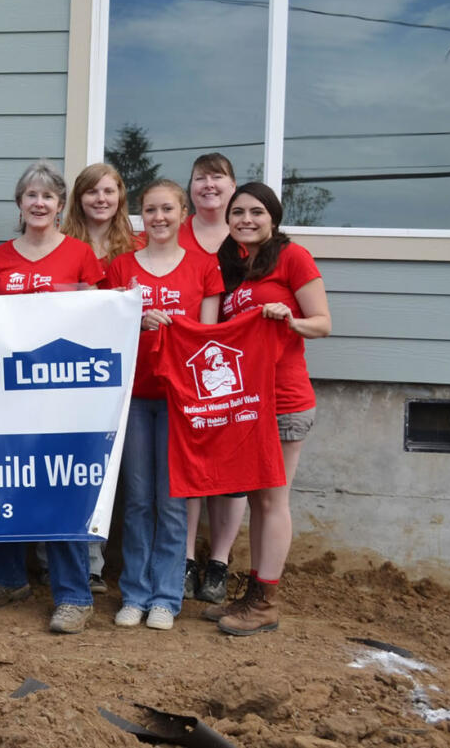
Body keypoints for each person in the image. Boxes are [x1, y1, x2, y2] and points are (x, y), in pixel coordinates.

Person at [0, 160, 105, 634]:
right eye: (31, 195)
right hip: (6, 396)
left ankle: (73, 595)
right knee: (5, 485)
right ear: (20, 203)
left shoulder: (81, 256)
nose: (39, 203)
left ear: (60, 204)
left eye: (48, 196)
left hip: (62, 397)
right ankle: (10, 578)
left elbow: (99, 319)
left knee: (60, 488)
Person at [205, 181, 331, 635]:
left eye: (256, 211)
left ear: (273, 217)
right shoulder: (233, 264)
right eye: (237, 212)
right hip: (246, 402)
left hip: (283, 401)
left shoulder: (292, 257)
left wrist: (290, 319)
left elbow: (322, 323)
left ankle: (266, 601)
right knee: (257, 500)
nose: (246, 219)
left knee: (274, 500)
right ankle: (255, 591)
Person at [103, 180, 222, 630]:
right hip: (133, 396)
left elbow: (209, 338)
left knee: (172, 503)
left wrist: (176, 327)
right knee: (136, 502)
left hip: (180, 400)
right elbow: (107, 330)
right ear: (141, 215)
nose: (159, 218)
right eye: (150, 210)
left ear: (182, 211)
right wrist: (136, 317)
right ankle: (133, 594)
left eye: (167, 209)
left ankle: (166, 597)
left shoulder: (204, 267)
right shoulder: (120, 268)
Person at [62, 162, 142, 591]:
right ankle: (73, 559)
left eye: (109, 191)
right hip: (72, 372)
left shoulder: (137, 245)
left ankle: (109, 564)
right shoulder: (63, 244)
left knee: (122, 476)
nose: (100, 199)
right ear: (79, 197)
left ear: (120, 197)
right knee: (79, 466)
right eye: (92, 191)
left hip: (128, 369)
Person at [180, 153, 244, 604]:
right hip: (183, 367)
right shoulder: (174, 232)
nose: (209, 185)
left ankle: (218, 562)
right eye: (200, 178)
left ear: (233, 185)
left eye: (217, 178)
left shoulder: (246, 236)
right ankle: (183, 559)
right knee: (189, 466)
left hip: (235, 370)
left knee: (230, 469)